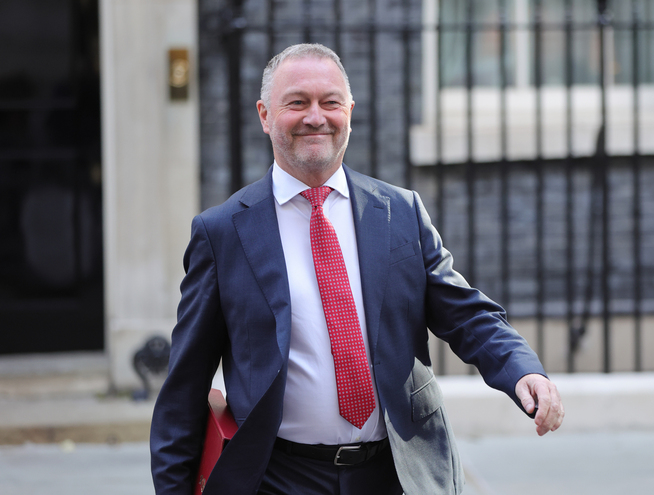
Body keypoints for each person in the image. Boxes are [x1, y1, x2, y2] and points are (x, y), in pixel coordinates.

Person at [150, 43, 564, 495]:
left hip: (398, 473)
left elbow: (465, 314)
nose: (316, 117)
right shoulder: (222, 233)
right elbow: (185, 386)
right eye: (297, 103)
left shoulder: (400, 212)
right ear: (265, 115)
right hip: (279, 477)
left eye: (330, 102)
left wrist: (522, 370)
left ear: (349, 111)